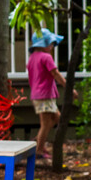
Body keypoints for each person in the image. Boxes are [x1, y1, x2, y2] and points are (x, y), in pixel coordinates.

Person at [26, 30, 65, 164]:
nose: (52, 46)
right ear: (44, 44)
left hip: (38, 95)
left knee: (56, 118)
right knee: (45, 123)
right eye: (51, 43)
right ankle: (38, 150)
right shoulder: (46, 57)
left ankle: (38, 142)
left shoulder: (32, 58)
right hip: (45, 95)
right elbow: (55, 74)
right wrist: (69, 88)